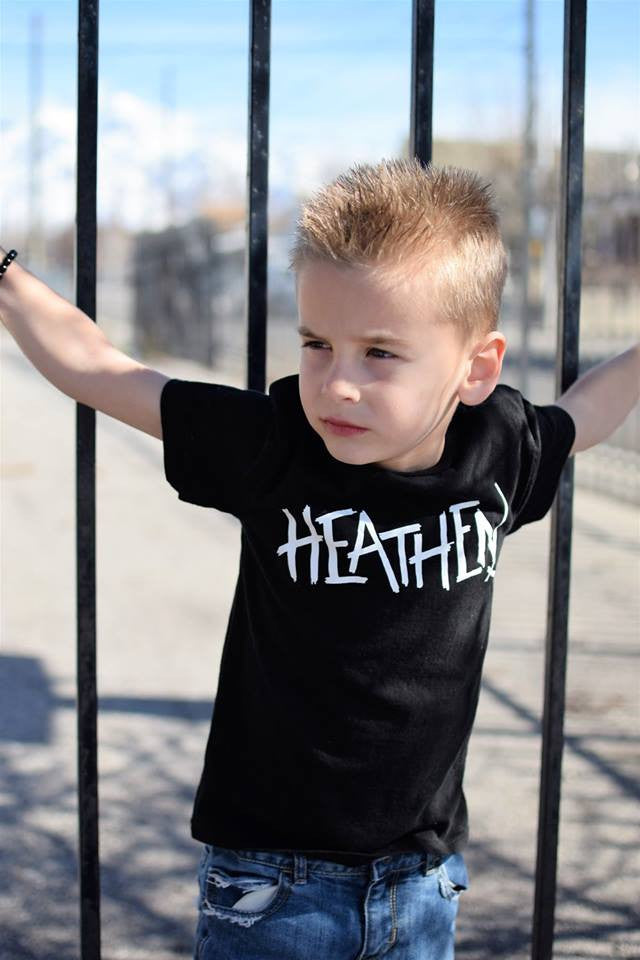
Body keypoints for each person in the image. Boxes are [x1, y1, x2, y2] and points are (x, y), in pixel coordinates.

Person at [1, 158, 638, 960]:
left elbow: (586, 413)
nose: (337, 384)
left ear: (477, 369)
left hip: (423, 878)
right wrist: (5, 275)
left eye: (380, 353)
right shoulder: (276, 444)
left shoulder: (501, 448)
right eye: (316, 344)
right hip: (271, 881)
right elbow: (101, 369)